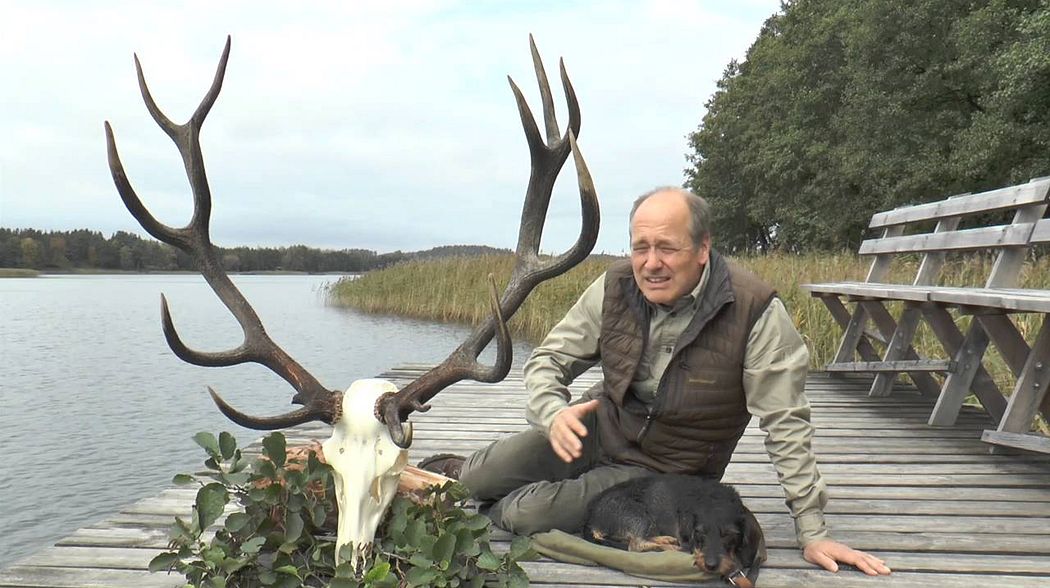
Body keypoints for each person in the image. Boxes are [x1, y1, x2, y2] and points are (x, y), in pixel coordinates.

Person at [420, 187, 891, 576]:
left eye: (667, 248)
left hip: (660, 473)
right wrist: (553, 412)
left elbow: (786, 424)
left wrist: (812, 531)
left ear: (703, 249)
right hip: (594, 427)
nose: (651, 263)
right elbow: (548, 359)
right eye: (641, 247)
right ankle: (484, 479)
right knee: (477, 476)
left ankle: (502, 504)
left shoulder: (755, 312)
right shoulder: (614, 286)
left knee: (523, 513)